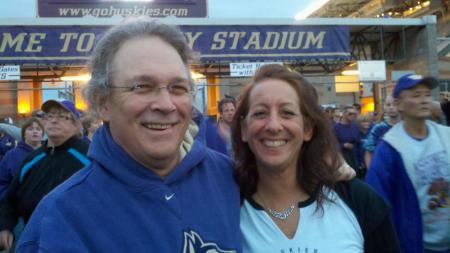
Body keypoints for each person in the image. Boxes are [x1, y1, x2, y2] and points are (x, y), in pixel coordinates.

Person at [14, 20, 241, 252]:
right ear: (103, 103)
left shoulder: (232, 179)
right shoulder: (60, 219)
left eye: (178, 88)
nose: (166, 104)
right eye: (141, 87)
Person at [233, 64, 400, 253]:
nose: (273, 125)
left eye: (287, 113)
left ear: (308, 129)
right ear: (244, 130)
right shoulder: (225, 204)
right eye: (260, 113)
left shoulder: (359, 201)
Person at [366, 74, 450, 253]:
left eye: (427, 95)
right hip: (417, 246)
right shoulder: (390, 149)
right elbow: (376, 205)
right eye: (416, 95)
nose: (424, 100)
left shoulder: (446, 136)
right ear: (398, 104)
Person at [0, 99, 89, 251]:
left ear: (76, 125)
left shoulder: (88, 157)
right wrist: (5, 226)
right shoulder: (33, 158)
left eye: (62, 116)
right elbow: (10, 198)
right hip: (32, 239)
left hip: (75, 241)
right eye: (49, 116)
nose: (54, 120)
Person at [0, 117, 43, 198]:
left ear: (42, 134)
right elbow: (2, 182)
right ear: (24, 134)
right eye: (30, 129)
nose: (35, 131)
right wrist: (8, 200)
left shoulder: (49, 154)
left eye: (38, 129)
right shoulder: (11, 155)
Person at [363, 95, 401, 168]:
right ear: (384, 107)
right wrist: (371, 171)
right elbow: (368, 152)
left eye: (395, 104)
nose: (391, 107)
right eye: (388, 105)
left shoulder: (407, 127)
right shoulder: (378, 128)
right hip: (383, 169)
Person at [334, 105, 361, 170]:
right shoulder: (336, 128)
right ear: (344, 114)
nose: (353, 115)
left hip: (355, 158)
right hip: (343, 158)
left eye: (354, 114)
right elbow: (332, 145)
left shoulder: (355, 126)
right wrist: (343, 145)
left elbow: (359, 143)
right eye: (350, 114)